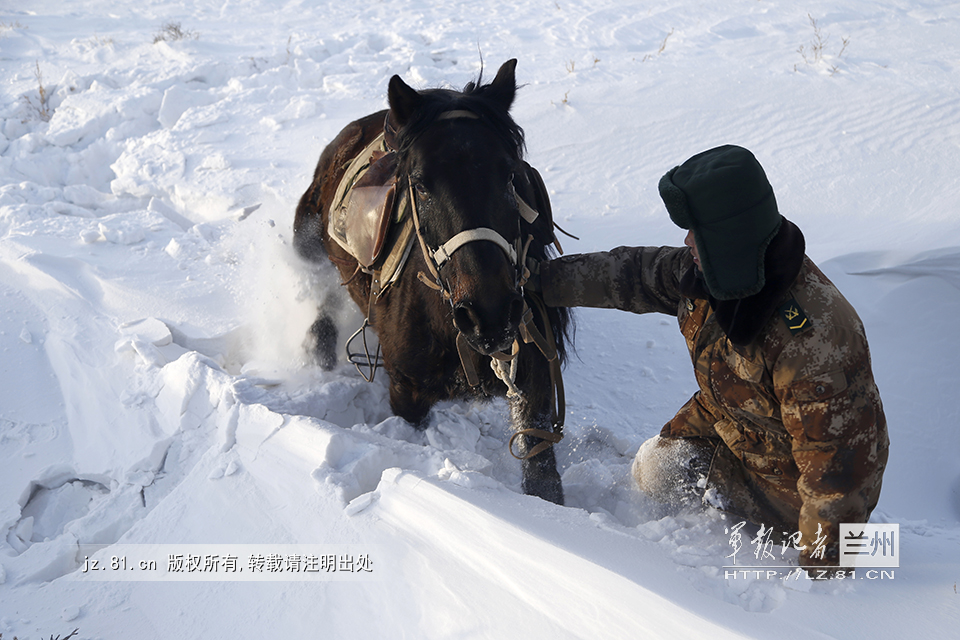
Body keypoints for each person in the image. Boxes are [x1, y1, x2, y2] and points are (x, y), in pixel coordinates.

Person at [536, 145, 889, 573]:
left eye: (696, 232)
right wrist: (535, 285)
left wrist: (824, 577)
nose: (686, 242)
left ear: (730, 236)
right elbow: (631, 274)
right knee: (656, 466)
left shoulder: (813, 342)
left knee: (669, 484)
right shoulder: (715, 271)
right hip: (739, 426)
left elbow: (837, 477)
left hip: (791, 489)